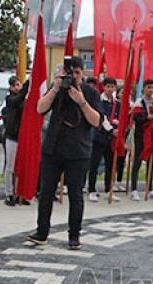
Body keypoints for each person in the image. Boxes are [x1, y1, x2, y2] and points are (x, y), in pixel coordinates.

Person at [25, 56, 101, 250]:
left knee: (75, 195)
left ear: (82, 73)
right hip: (53, 148)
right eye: (69, 73)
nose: (73, 77)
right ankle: (42, 232)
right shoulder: (57, 88)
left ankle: (74, 235)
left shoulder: (90, 93)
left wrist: (81, 102)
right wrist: (55, 87)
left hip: (78, 151)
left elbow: (96, 121)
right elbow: (40, 108)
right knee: (46, 193)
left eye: (76, 73)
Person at [129, 79, 153, 201]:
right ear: (143, 89)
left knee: (152, 163)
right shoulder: (139, 103)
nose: (151, 90)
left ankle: (150, 189)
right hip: (141, 136)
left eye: (152, 88)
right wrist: (149, 117)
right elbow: (137, 119)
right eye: (148, 87)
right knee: (137, 162)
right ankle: (134, 190)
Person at [88, 77, 120, 202]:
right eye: (108, 86)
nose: (110, 89)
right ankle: (91, 189)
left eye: (113, 87)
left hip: (112, 139)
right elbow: (101, 118)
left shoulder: (117, 103)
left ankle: (108, 189)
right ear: (103, 87)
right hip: (99, 136)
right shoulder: (99, 101)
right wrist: (111, 129)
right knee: (94, 164)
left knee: (110, 165)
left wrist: (118, 127)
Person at [3, 76, 29, 206]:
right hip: (12, 137)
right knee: (11, 167)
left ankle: (21, 193)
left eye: (19, 85)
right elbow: (17, 100)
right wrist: (27, 84)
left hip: (23, 137)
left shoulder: (24, 100)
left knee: (22, 167)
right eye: (15, 85)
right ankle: (9, 193)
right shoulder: (10, 99)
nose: (17, 88)